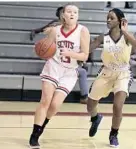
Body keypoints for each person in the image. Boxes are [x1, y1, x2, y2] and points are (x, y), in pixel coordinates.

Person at [29, 4, 90, 148]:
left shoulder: (83, 31)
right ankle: (34, 135)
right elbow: (46, 48)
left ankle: (42, 126)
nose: (72, 14)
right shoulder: (55, 31)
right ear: (63, 15)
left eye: (75, 12)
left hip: (69, 72)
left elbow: (85, 56)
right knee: (45, 101)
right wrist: (40, 49)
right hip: (53, 67)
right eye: (69, 11)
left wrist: (71, 54)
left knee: (55, 105)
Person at [87, 8, 136, 147]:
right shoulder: (103, 37)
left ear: (120, 20)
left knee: (117, 107)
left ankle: (113, 134)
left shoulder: (127, 37)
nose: (108, 20)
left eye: (111, 18)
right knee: (90, 105)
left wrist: (125, 31)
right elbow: (88, 49)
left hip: (123, 74)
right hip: (106, 72)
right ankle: (95, 118)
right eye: (107, 17)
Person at [30, 6, 88, 104]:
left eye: (74, 12)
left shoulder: (79, 30)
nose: (71, 14)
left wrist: (83, 59)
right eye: (67, 12)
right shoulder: (55, 26)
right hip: (56, 63)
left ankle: (84, 96)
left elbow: (85, 49)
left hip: (71, 63)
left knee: (82, 72)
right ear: (61, 15)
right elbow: (42, 29)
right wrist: (36, 33)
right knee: (47, 100)